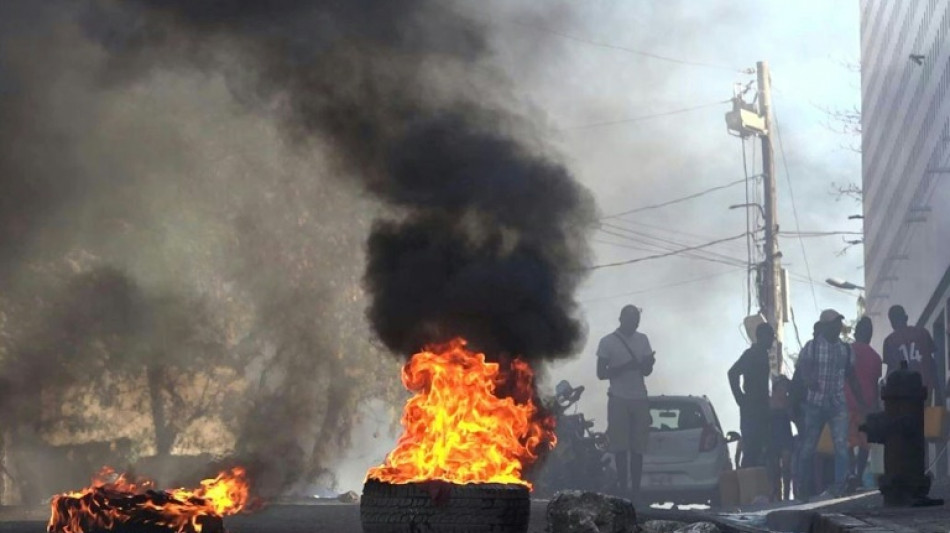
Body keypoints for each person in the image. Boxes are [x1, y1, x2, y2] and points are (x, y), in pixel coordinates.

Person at [795, 309, 869, 500]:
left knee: (841, 445)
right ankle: (803, 487)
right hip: (815, 404)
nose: (838, 326)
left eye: (839, 323)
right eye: (835, 323)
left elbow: (851, 378)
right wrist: (808, 379)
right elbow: (803, 368)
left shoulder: (845, 349)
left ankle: (839, 486)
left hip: (837, 403)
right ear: (825, 326)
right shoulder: (811, 347)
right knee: (809, 446)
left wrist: (861, 402)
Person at [596, 305, 655, 500]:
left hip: (639, 397)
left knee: (638, 448)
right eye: (632, 320)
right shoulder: (607, 342)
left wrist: (649, 363)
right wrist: (624, 367)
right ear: (621, 319)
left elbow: (646, 372)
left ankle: (635, 491)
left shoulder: (643, 339)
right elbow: (601, 373)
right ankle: (623, 489)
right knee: (620, 447)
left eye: (637, 320)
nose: (635, 324)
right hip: (618, 397)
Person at [728, 323, 774, 468]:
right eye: (770, 336)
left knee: (763, 449)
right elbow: (733, 373)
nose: (772, 340)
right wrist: (740, 399)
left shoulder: (762, 354)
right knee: (752, 449)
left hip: (761, 407)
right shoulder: (752, 354)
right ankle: (749, 484)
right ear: (761, 337)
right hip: (752, 408)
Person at [846, 316, 882, 484]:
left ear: (855, 333)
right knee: (863, 444)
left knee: (847, 442)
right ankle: (859, 475)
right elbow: (875, 384)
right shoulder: (875, 357)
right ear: (870, 335)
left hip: (846, 403)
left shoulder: (847, 351)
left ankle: (850, 474)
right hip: (867, 406)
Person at [883, 305, 941, 402]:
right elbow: (932, 364)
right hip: (924, 388)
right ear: (906, 318)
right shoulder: (923, 333)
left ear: (891, 322)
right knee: (923, 415)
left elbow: (891, 371)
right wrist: (938, 392)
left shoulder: (890, 341)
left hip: (903, 392)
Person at [769, 374, 794, 501]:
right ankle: (778, 496)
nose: (784, 390)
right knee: (775, 469)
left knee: (786, 466)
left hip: (785, 436)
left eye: (785, 387)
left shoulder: (788, 402)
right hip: (773, 438)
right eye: (782, 386)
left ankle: (786, 496)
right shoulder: (769, 401)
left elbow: (792, 417)